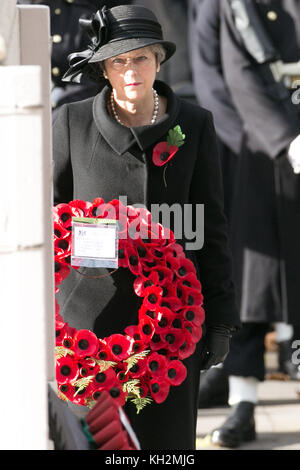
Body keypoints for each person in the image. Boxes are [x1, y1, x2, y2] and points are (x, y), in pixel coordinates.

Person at [52, 4, 240, 450]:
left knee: (167, 447)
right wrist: (99, 240)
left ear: (159, 60)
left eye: (141, 57)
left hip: (172, 330)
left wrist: (220, 322)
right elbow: (49, 218)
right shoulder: (71, 123)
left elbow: (210, 227)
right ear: (104, 69)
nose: (131, 70)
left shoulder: (194, 125)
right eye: (119, 61)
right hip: (90, 332)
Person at [190, 0, 300, 448]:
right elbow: (234, 74)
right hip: (262, 149)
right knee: (255, 285)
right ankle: (244, 403)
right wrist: (282, 139)